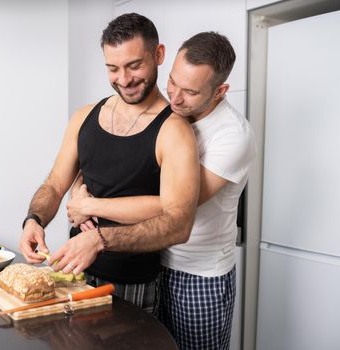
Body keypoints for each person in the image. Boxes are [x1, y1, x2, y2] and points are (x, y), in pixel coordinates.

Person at [60, 32, 256, 350]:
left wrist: (91, 206)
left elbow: (176, 205)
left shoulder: (232, 137)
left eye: (190, 92)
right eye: (173, 82)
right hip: (149, 260)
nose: (175, 98)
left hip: (196, 276)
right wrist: (78, 190)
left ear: (220, 91)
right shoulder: (161, 115)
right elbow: (103, 158)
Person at [19, 13, 200, 313]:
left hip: (132, 287)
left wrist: (99, 240)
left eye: (134, 66)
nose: (124, 80)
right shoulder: (84, 116)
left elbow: (179, 224)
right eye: (113, 68)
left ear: (158, 55)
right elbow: (54, 183)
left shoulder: (175, 131)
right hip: (71, 275)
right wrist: (34, 220)